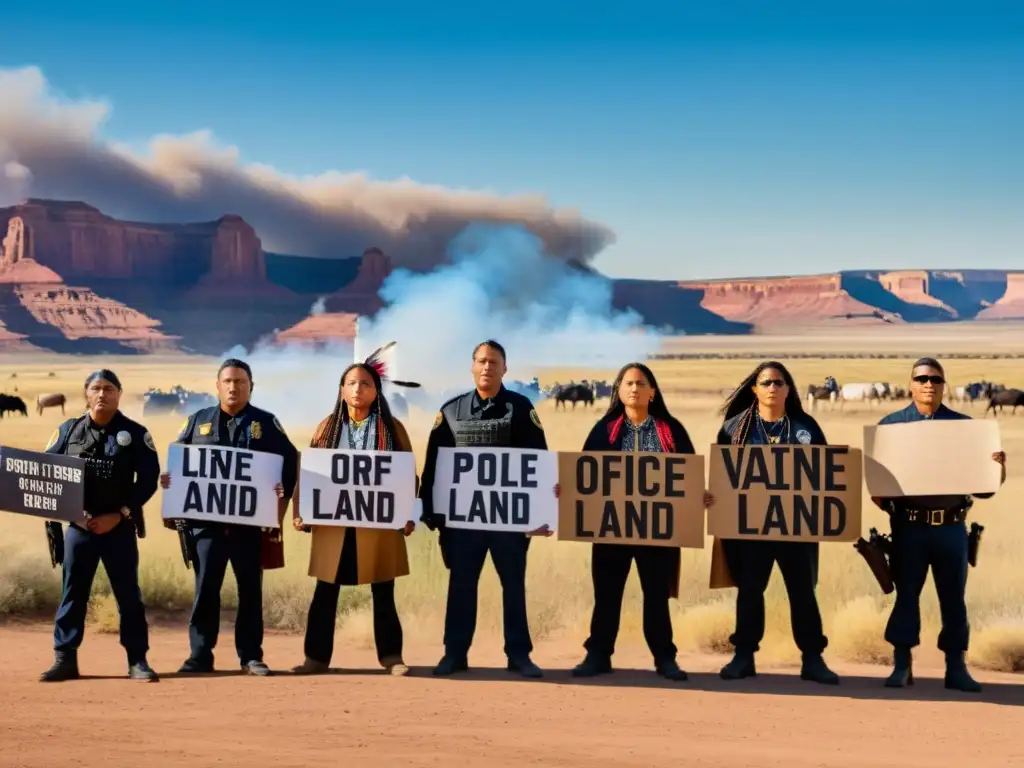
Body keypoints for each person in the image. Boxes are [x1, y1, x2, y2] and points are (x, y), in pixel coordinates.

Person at [872, 357, 1006, 692]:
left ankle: (956, 668)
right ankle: (902, 665)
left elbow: (986, 489)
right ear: (911, 385)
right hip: (909, 528)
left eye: (935, 379)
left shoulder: (964, 428)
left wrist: (997, 468)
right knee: (906, 597)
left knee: (953, 598)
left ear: (944, 385)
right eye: (922, 379)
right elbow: (877, 488)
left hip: (951, 528)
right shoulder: (891, 426)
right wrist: (884, 496)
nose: (929, 384)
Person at [419, 339, 550, 678]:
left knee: (513, 585)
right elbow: (434, 466)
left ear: (505, 368)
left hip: (509, 522)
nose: (487, 367)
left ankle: (519, 655)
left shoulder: (521, 409)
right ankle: (455, 654)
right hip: (463, 523)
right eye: (481, 361)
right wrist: (432, 513)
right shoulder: (451, 412)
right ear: (472, 367)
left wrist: (540, 514)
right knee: (462, 585)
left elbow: (539, 463)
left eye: (494, 362)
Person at [161, 358, 299, 676]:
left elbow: (291, 463)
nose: (233, 387)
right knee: (205, 589)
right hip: (206, 527)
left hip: (249, 528)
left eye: (240, 381)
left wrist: (281, 495)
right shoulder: (197, 421)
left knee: (250, 590)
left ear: (251, 386)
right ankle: (199, 656)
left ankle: (250, 656)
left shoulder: (267, 423)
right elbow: (178, 464)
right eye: (228, 381)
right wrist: (170, 484)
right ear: (218, 386)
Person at [705, 360, 839, 685]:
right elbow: (723, 476)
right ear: (754, 389)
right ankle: (743, 656)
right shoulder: (735, 429)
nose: (772, 388)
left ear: (788, 389)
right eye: (766, 383)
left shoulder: (805, 428)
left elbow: (824, 473)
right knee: (750, 590)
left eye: (779, 383)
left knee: (802, 591)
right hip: (752, 530)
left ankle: (812, 659)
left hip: (796, 527)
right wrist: (712, 498)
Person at [564, 362, 693, 682]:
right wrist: (565, 490)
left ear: (652, 391)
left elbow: (688, 474)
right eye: (627, 383)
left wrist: (699, 496)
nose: (634, 389)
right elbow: (585, 474)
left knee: (656, 596)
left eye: (641, 383)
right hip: (611, 529)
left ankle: (665, 658)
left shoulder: (671, 430)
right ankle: (598, 655)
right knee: (607, 595)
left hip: (657, 531)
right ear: (619, 391)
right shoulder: (603, 430)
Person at [291, 357, 420, 676]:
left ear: (376, 392)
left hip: (378, 524)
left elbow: (408, 475)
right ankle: (316, 658)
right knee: (325, 590)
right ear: (341, 391)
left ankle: (392, 657)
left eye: (366, 383)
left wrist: (408, 513)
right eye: (352, 383)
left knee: (383, 589)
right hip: (335, 525)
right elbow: (308, 472)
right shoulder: (327, 427)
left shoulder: (391, 429)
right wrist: (300, 511)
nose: (358, 389)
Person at [39, 369, 160, 682]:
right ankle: (65, 659)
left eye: (109, 388)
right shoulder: (68, 431)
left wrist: (119, 514)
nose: (102, 394)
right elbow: (49, 473)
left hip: (118, 527)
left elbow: (147, 481)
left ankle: (137, 661)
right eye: (96, 388)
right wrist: (74, 513)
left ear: (119, 393)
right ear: (86, 394)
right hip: (80, 528)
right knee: (72, 593)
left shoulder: (135, 434)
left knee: (128, 595)